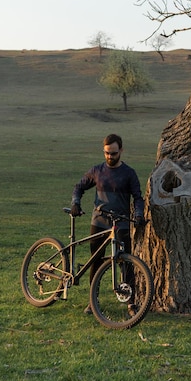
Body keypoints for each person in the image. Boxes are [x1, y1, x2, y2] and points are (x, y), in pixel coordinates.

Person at [70, 134, 145, 314]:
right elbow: (79, 187)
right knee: (95, 262)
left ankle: (131, 303)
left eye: (113, 153)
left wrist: (140, 215)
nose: (109, 157)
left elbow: (138, 197)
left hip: (122, 224)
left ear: (121, 151)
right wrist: (75, 203)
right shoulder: (97, 171)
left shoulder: (129, 173)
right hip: (99, 222)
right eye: (106, 153)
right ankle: (92, 301)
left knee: (125, 262)